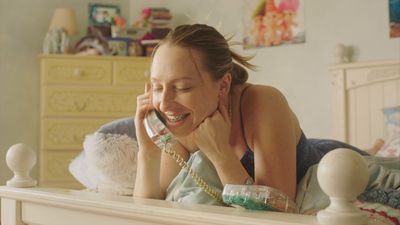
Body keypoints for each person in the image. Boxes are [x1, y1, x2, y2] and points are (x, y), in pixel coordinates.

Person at [133, 24, 369, 203]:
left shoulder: (263, 102)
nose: (164, 103)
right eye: (157, 86)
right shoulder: (181, 120)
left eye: (183, 88)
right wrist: (148, 152)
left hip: (335, 161)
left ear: (223, 86)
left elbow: (278, 209)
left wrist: (221, 156)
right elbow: (151, 208)